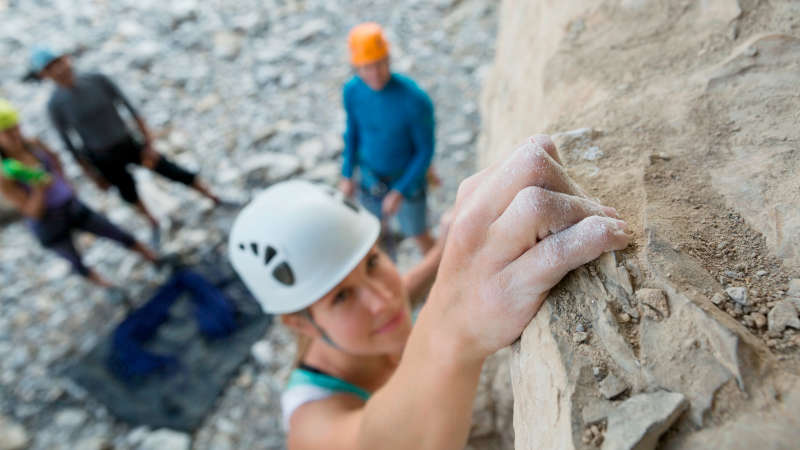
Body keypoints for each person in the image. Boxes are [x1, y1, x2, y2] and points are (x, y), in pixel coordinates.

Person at [229, 135, 630, 449]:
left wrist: (446, 253)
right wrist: (455, 331)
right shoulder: (310, 424)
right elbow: (376, 442)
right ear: (300, 322)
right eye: (341, 297)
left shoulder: (364, 325)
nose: (382, 299)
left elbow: (406, 288)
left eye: (372, 263)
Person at [29, 46, 220, 244]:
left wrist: (149, 144)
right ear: (45, 74)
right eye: (51, 68)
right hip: (102, 156)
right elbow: (69, 145)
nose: (59, 70)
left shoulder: (97, 80)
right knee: (128, 192)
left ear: (66, 59)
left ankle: (213, 196)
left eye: (59, 63)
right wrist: (92, 175)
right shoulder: (55, 105)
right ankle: (153, 222)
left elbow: (131, 109)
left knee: (170, 170)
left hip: (128, 143)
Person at [0, 99, 157, 287]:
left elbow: (54, 158)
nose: (15, 135)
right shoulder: (5, 173)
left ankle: (153, 257)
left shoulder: (33, 144)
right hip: (49, 223)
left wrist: (64, 183)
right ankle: (108, 287)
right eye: (7, 132)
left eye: (15, 128)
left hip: (69, 204)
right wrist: (38, 187)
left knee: (115, 232)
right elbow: (31, 212)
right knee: (75, 261)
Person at [338, 23, 437, 255]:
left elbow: (425, 151)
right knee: (373, 234)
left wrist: (400, 191)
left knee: (418, 233)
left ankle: (440, 275)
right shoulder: (352, 92)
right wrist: (347, 174)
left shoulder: (414, 99)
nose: (374, 74)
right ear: (356, 67)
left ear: (388, 59)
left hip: (408, 181)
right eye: (366, 68)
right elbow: (352, 132)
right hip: (370, 178)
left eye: (379, 64)